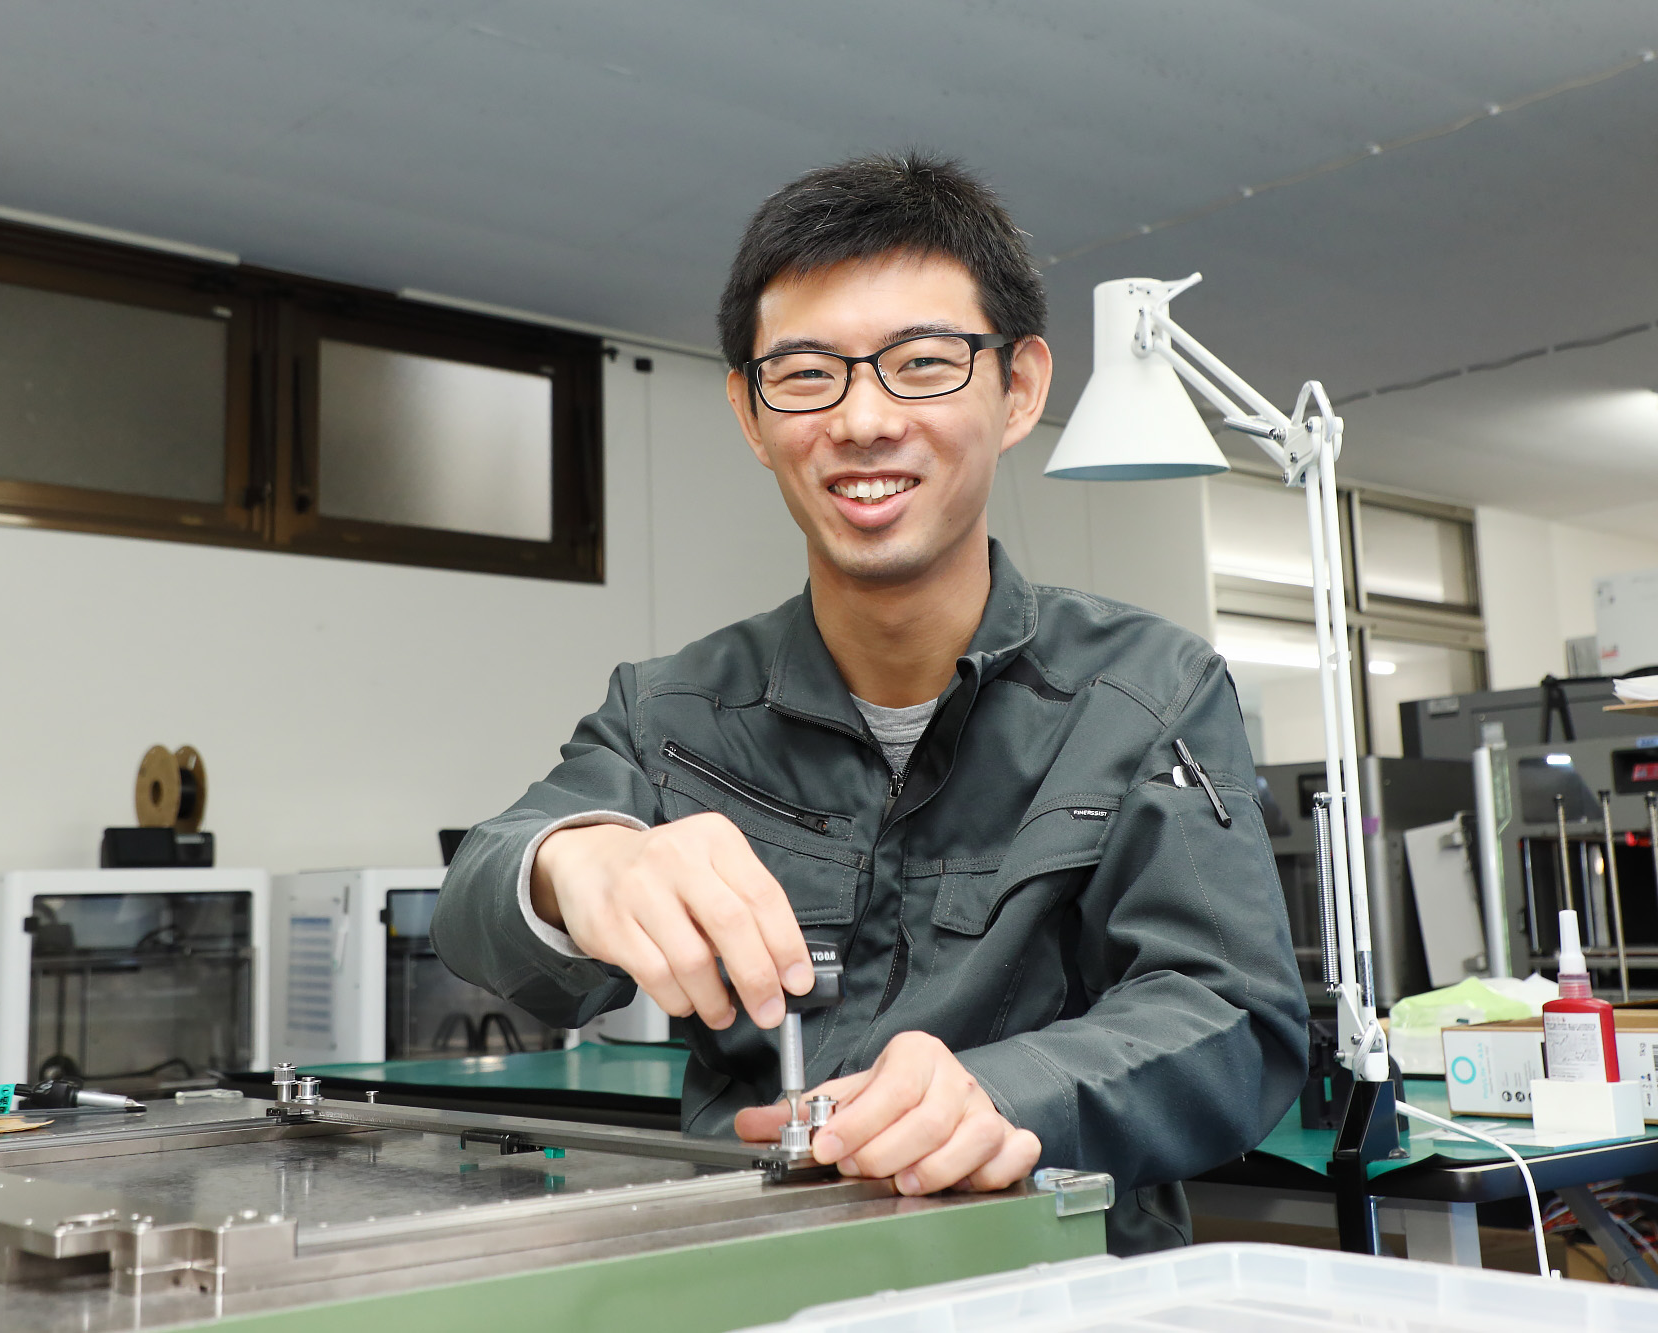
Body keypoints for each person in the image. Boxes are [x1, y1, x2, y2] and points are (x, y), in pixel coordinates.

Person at [432, 152, 1308, 1254]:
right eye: (805, 374)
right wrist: (575, 865)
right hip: (753, 1277)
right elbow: (473, 904)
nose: (861, 419)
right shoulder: (669, 711)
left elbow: (1234, 1019)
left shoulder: (1148, 692)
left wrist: (1004, 1093)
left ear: (1018, 388)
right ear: (751, 415)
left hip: (1055, 1280)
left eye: (921, 364)